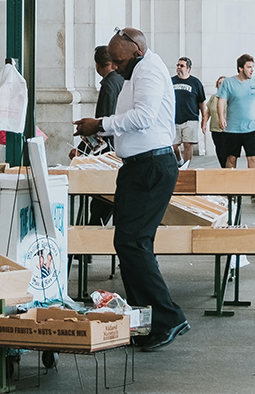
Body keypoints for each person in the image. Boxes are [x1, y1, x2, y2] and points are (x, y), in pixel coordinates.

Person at [74, 28, 188, 350]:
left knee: (132, 243)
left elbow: (143, 117)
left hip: (150, 167)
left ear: (137, 52)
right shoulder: (136, 72)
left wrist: (100, 124)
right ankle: (148, 321)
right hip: (138, 167)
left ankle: (168, 317)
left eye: (120, 62)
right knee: (130, 244)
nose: (117, 67)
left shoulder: (149, 70)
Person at [216, 54, 255, 169]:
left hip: (252, 128)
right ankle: (230, 184)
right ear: (240, 68)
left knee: (253, 158)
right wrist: (221, 118)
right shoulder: (228, 82)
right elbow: (221, 101)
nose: (252, 70)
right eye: (249, 67)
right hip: (232, 129)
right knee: (231, 158)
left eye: (252, 67)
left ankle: (253, 184)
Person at [171, 57, 206, 163]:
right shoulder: (171, 81)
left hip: (190, 118)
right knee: (174, 146)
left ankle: (187, 166)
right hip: (174, 119)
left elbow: (201, 101)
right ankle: (179, 160)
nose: (179, 68)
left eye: (182, 66)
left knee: (188, 145)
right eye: (178, 65)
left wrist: (204, 119)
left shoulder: (195, 82)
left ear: (188, 69)